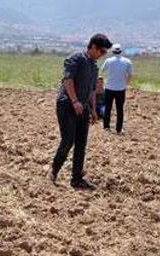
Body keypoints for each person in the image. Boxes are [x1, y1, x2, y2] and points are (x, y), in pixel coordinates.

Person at [50, 33, 112, 190]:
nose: (102, 55)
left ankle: (76, 179)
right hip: (67, 105)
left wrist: (93, 109)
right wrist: (75, 101)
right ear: (92, 47)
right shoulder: (76, 59)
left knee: (81, 143)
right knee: (68, 140)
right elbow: (68, 80)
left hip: (83, 107)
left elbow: (92, 90)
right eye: (101, 51)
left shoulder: (93, 66)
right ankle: (53, 172)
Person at [101, 43, 133, 134]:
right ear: (121, 51)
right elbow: (130, 75)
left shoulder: (108, 61)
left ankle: (106, 127)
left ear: (112, 51)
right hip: (120, 89)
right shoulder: (127, 62)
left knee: (108, 107)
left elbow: (102, 70)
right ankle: (118, 129)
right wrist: (125, 84)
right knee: (120, 109)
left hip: (109, 87)